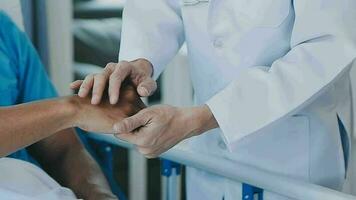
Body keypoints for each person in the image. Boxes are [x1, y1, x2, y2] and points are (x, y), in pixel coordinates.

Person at [74, 0, 356, 199]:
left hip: (290, 153)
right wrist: (140, 61)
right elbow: (157, 6)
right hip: (209, 156)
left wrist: (208, 117)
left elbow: (325, 46)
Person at [0, 12, 145, 199]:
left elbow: (63, 149)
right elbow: (65, 115)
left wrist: (100, 195)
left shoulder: (5, 33)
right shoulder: (72, 108)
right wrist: (74, 108)